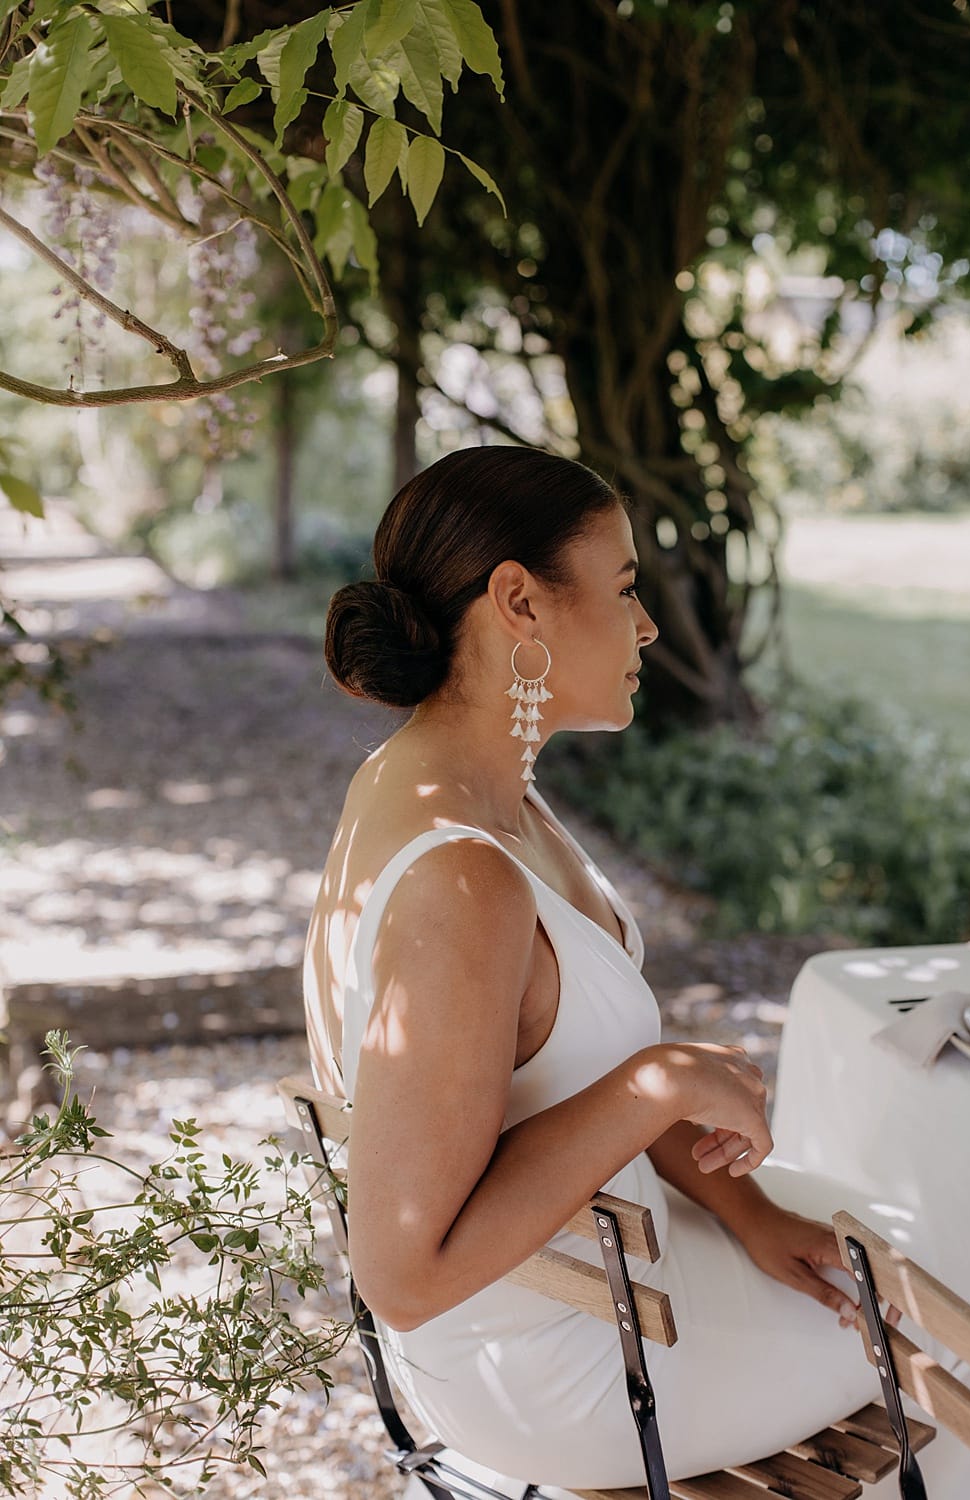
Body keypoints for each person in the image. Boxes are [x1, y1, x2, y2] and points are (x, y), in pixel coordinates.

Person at [302, 446, 896, 1490]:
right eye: (624, 589)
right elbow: (402, 1276)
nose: (648, 625)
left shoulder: (476, 789)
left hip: (617, 1261)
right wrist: (659, 1081)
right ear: (518, 602)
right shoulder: (462, 879)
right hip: (566, 1359)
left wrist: (750, 1215)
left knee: (912, 1240)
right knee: (953, 1310)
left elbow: (560, 1084)